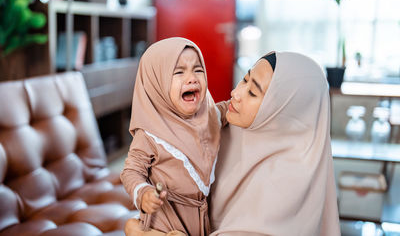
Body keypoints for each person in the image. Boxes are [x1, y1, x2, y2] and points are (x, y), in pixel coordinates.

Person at [210, 51, 340, 235]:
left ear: (284, 112)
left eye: (253, 92)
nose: (235, 93)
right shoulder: (230, 130)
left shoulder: (290, 181)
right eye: (245, 80)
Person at [121, 37, 226, 236]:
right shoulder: (150, 134)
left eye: (198, 69)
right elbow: (131, 171)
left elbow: (230, 109)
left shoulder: (210, 115)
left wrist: (246, 100)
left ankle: (134, 230)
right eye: (179, 72)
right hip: (167, 219)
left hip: (201, 214)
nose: (192, 78)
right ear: (157, 83)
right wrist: (143, 193)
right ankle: (141, 231)